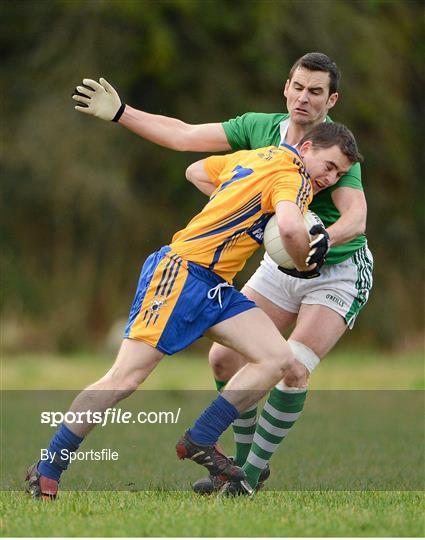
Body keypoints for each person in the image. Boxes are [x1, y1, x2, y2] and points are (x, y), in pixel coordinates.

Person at [71, 52, 373, 495]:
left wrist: (323, 238)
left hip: (336, 268)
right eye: (299, 87)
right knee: (223, 359)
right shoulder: (259, 128)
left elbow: (357, 217)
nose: (304, 98)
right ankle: (234, 463)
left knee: (293, 368)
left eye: (316, 92)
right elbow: (184, 136)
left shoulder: (337, 152)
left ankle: (248, 477)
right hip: (280, 261)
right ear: (286, 86)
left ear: (332, 100)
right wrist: (121, 112)